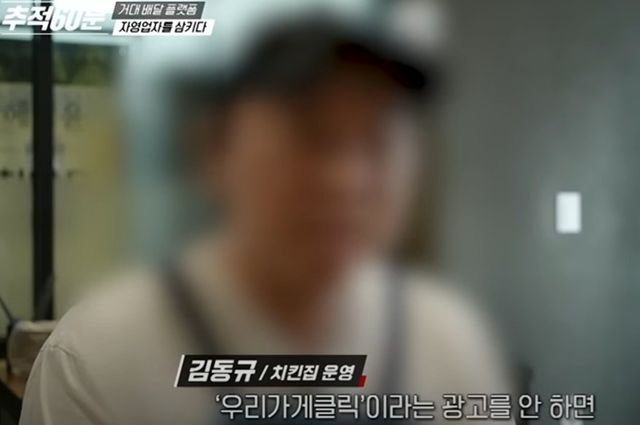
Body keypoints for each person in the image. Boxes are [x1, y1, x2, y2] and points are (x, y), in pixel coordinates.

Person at [20, 15, 512, 425]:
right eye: (311, 134)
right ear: (216, 152)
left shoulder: (449, 344)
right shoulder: (98, 360)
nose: (345, 180)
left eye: (376, 141)